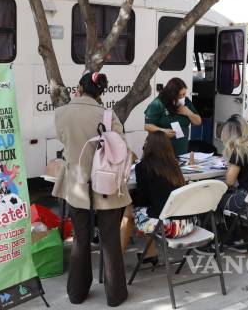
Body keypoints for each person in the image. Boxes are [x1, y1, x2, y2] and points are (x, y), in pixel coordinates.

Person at [53, 71, 131, 307]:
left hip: (77, 185)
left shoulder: (61, 113)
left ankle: (77, 293)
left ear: (79, 88)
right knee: (110, 239)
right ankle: (115, 295)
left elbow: (64, 141)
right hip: (106, 184)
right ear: (100, 93)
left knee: (80, 239)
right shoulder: (107, 115)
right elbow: (122, 148)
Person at [123, 131, 195, 264]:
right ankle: (150, 253)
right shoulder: (175, 166)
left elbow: (142, 201)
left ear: (147, 146)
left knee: (129, 211)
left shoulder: (142, 167)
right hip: (188, 225)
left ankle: (115, 260)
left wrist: (130, 199)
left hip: (170, 228)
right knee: (150, 210)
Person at [144, 78, 202, 157]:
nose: (182, 98)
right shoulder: (158, 103)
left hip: (182, 151)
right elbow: (147, 126)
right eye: (179, 96)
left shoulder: (186, 102)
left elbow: (198, 122)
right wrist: (163, 131)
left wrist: (188, 113)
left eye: (184, 94)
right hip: (162, 151)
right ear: (171, 95)